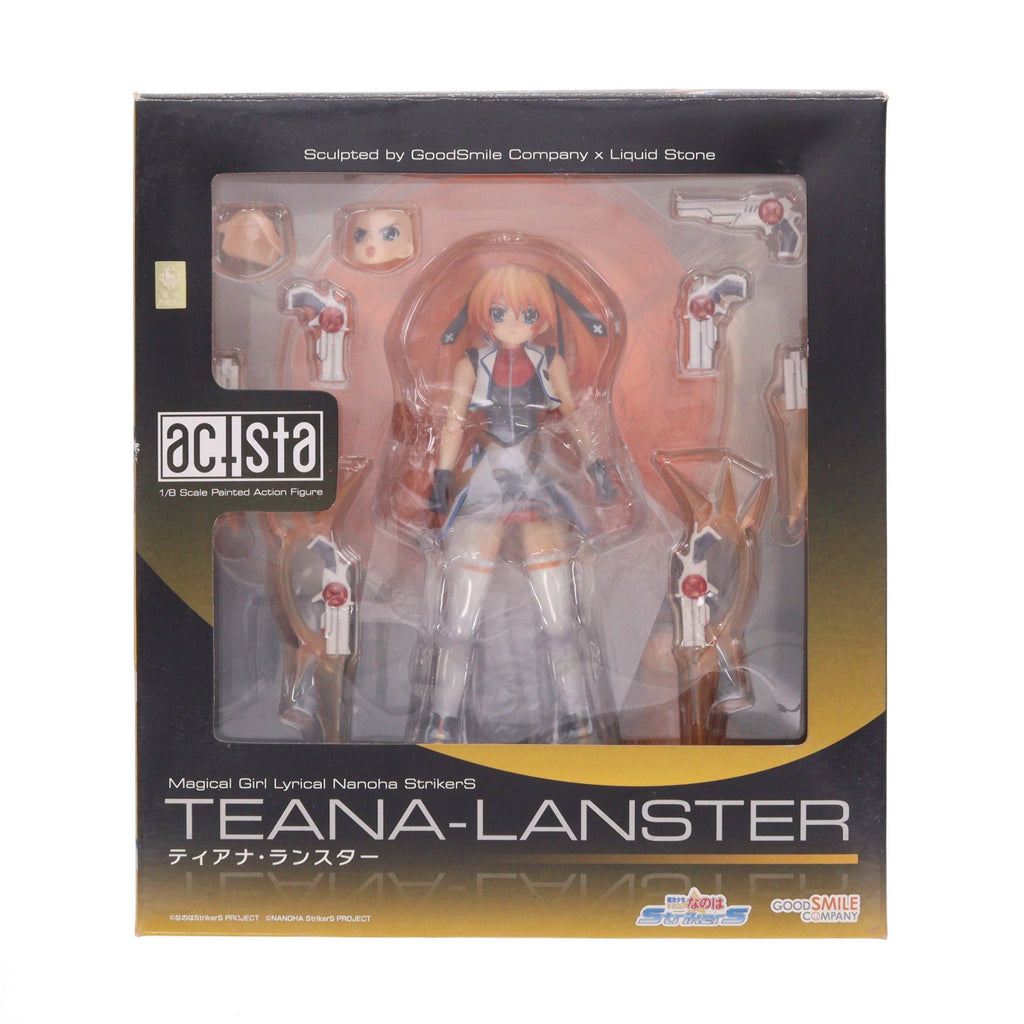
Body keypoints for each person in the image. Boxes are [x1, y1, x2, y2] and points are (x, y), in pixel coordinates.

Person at [422, 263, 616, 742]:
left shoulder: (549, 361)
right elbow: (453, 421)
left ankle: (578, 717)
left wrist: (596, 465)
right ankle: (443, 720)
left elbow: (573, 414)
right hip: (487, 476)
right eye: (500, 312)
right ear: (483, 316)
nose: (512, 322)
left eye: (526, 313)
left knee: (561, 619)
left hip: (536, 476)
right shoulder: (473, 363)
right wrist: (442, 476)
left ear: (542, 318)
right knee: (459, 621)